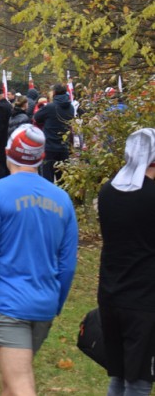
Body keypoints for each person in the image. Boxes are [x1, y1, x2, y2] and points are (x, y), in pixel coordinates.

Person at [0, 125, 77, 396]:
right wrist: (55, 303)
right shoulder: (62, 199)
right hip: (43, 303)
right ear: (41, 157)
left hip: (7, 304)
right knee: (10, 383)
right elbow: (67, 264)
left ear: (9, 154)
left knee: (20, 384)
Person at [97, 128, 155, 396]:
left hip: (110, 293)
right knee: (140, 379)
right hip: (144, 299)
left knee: (118, 375)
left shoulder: (108, 192)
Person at [33, 83, 75, 185]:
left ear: (54, 93)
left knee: (47, 179)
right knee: (63, 180)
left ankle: (48, 200)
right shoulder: (71, 108)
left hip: (49, 147)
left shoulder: (50, 107)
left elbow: (36, 117)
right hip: (64, 146)